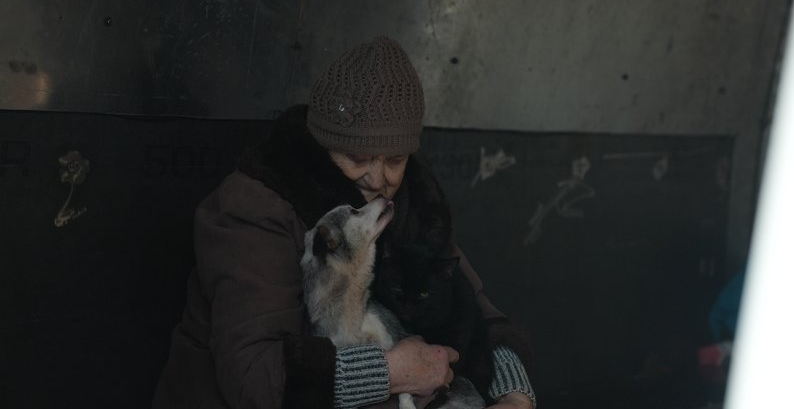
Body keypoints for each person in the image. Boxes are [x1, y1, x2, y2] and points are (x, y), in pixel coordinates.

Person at [152, 36, 537, 409]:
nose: (378, 179)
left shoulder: (411, 204)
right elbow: (253, 375)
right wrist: (390, 372)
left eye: (395, 160)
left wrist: (514, 394)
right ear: (325, 145)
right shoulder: (255, 207)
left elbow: (476, 312)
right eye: (358, 158)